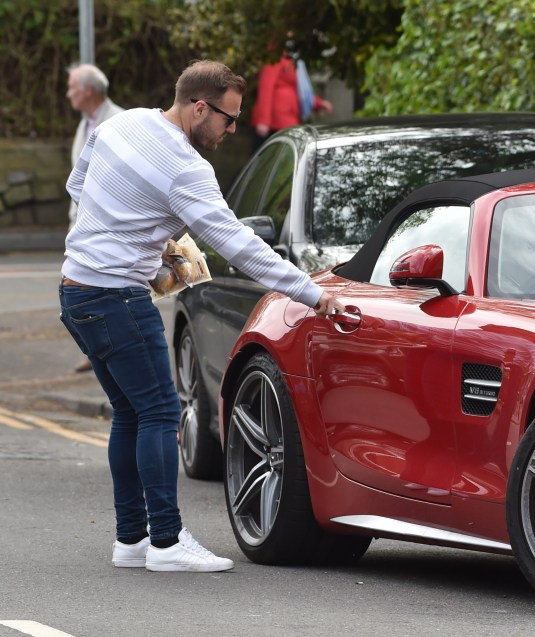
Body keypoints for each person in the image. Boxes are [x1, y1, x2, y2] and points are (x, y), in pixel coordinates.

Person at [58, 59, 343, 573]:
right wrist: (311, 294)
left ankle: (132, 540)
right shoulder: (187, 168)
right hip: (117, 298)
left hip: (76, 291)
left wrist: (147, 235)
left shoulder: (119, 125)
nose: (233, 130)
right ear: (198, 107)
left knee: (130, 413)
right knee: (162, 414)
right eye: (228, 119)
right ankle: (167, 542)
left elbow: (78, 186)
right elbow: (236, 242)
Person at [65, 63, 125, 373]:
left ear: (88, 90)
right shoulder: (86, 122)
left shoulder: (117, 120)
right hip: (83, 223)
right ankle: (96, 350)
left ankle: (105, 352)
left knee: (99, 292)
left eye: (73, 87)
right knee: (78, 291)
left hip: (106, 226)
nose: (68, 93)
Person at [250, 50, 331, 152]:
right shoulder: (276, 57)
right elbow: (266, 87)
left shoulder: (293, 59)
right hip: (275, 122)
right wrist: (263, 121)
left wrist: (318, 103)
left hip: (287, 120)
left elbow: (300, 90)